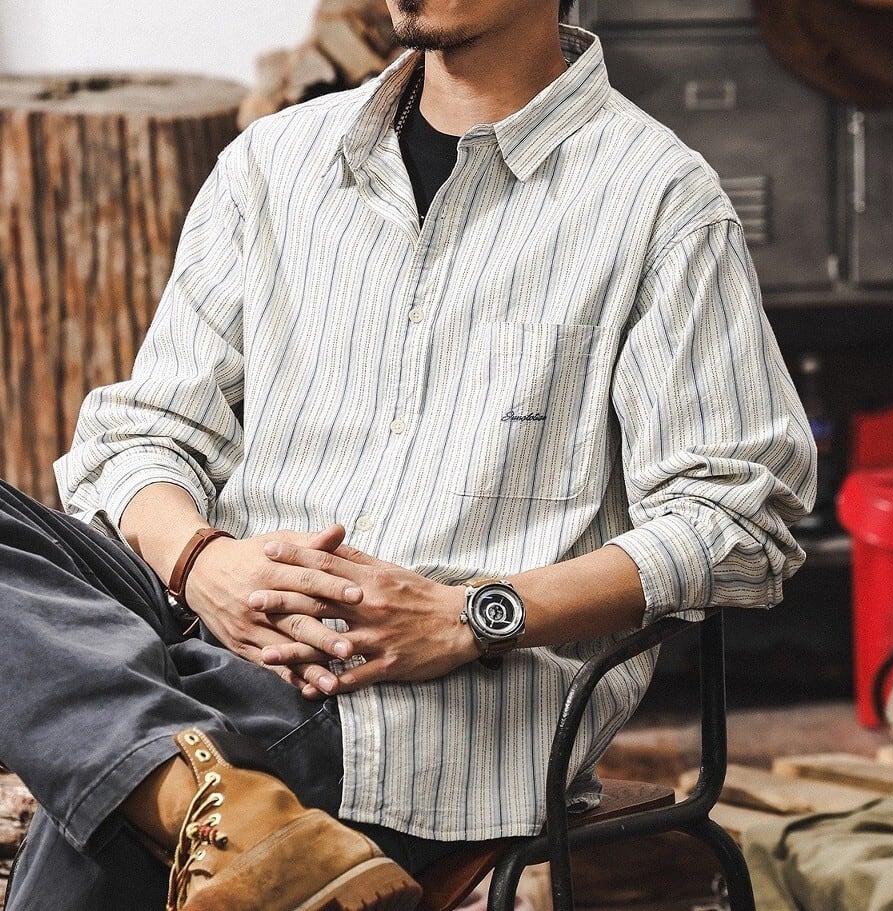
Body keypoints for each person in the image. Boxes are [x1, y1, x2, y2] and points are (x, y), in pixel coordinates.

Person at [1, 0, 817, 907]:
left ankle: (169, 773)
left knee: (110, 802)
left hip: (405, 708)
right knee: (137, 723)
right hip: (205, 623)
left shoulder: (658, 201)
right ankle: (185, 779)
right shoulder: (275, 162)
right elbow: (146, 431)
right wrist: (204, 563)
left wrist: (474, 614)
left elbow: (738, 518)